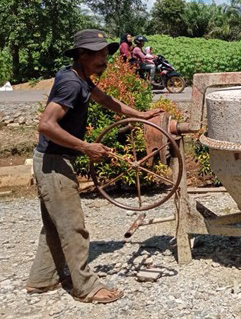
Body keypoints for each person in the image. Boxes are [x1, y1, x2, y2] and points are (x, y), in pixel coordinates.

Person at [26, 29, 162, 304]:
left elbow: (108, 101)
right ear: (81, 55)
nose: (105, 59)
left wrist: (141, 115)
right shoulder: (72, 85)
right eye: (98, 54)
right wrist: (86, 147)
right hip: (54, 163)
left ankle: (43, 279)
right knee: (73, 226)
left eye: (106, 53)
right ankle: (86, 287)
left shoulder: (80, 78)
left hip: (54, 159)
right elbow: (46, 125)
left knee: (54, 225)